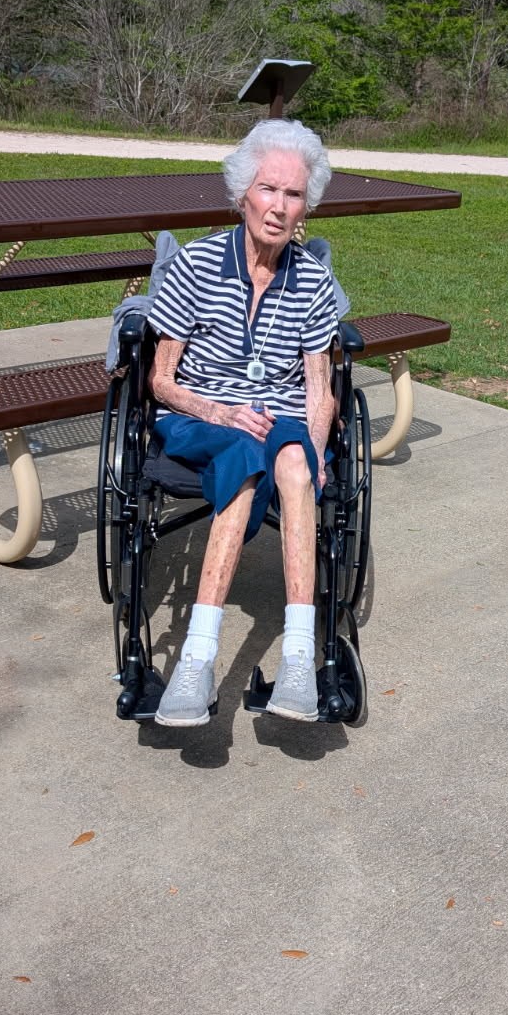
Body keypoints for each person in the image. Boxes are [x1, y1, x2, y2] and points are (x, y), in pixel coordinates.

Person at [146, 118, 340, 727]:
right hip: (200, 412)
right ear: (241, 194)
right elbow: (160, 380)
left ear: (305, 205)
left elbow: (318, 385)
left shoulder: (312, 278)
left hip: (277, 411)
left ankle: (301, 660)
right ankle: (196, 660)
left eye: (293, 195)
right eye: (269, 190)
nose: (279, 208)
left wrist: (314, 448)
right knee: (242, 456)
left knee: (291, 462)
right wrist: (219, 410)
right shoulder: (198, 265)